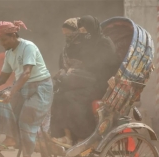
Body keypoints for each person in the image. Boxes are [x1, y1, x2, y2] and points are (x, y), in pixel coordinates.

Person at [0, 21, 53, 157]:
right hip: (23, 86)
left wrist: (11, 92)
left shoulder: (28, 47)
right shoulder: (9, 53)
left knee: (25, 120)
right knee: (1, 101)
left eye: (4, 39)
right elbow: (1, 78)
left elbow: (26, 73)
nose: (1, 43)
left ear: (13, 35)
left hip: (41, 87)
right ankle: (10, 138)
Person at [51, 15, 121, 147]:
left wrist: (114, 77)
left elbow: (114, 64)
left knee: (72, 97)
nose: (84, 34)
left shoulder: (104, 43)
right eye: (81, 31)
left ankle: (85, 135)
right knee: (60, 94)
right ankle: (63, 135)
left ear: (92, 29)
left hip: (102, 84)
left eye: (85, 31)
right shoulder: (85, 45)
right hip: (88, 81)